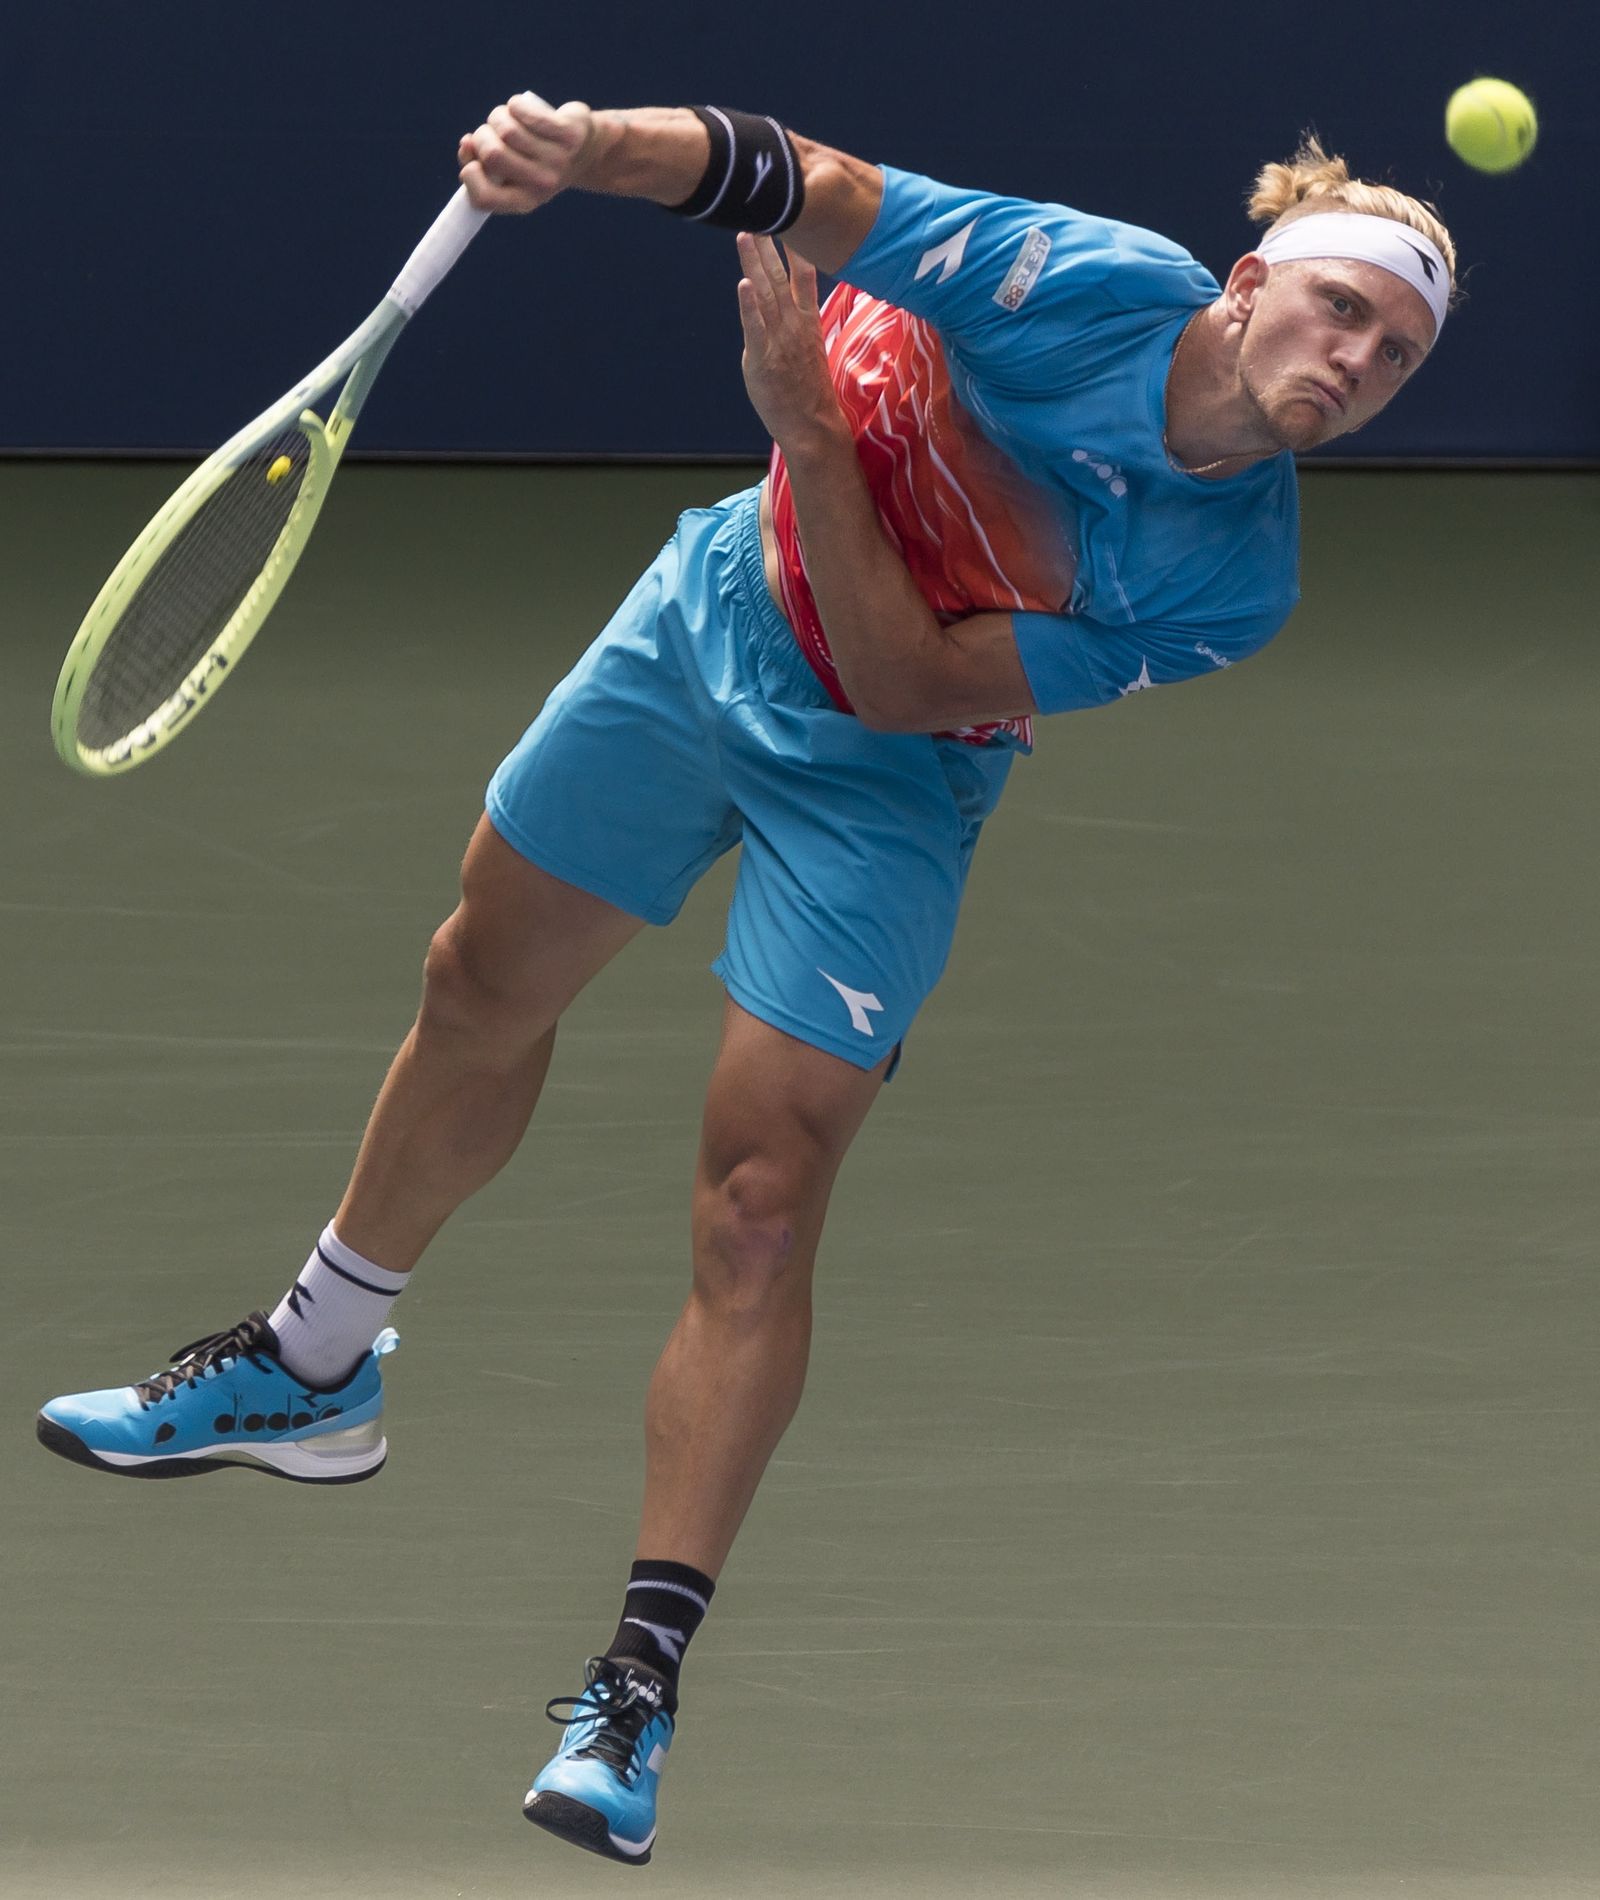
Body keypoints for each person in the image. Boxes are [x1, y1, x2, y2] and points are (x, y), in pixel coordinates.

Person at [37, 94, 1457, 1866]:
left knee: (762, 1207)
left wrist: (810, 429)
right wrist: (576, 154)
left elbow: (899, 677)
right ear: (1250, 286)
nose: (1359, 359)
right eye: (1342, 310)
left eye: (1397, 353)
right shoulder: (1072, 281)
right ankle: (315, 1367)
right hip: (710, 616)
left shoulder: (1231, 578)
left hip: (887, 768)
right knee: (481, 981)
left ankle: (634, 1682)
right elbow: (801, 182)